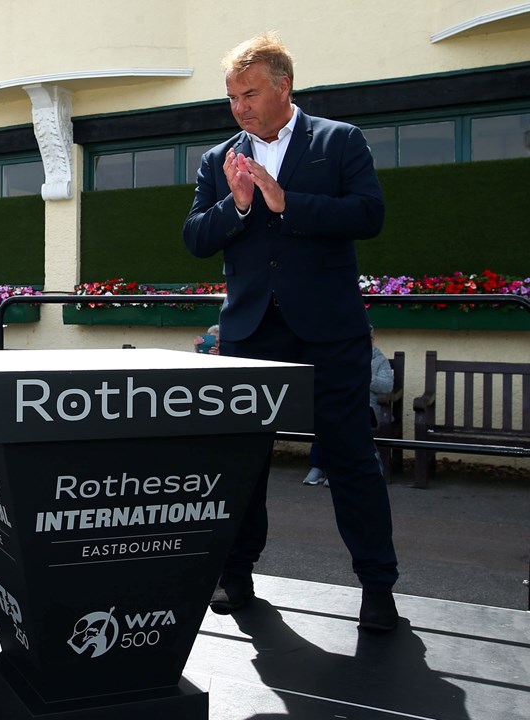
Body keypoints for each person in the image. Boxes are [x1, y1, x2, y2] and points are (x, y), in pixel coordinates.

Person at [182, 33, 399, 631]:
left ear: (284, 86)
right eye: (231, 97)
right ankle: (236, 573)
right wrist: (242, 204)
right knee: (243, 458)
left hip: (329, 330)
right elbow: (197, 238)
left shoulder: (338, 141)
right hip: (251, 330)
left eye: (249, 94)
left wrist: (286, 202)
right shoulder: (217, 159)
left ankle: (378, 587)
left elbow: (369, 215)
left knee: (351, 457)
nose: (240, 107)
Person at [303, 326, 394, 486]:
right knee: (326, 418)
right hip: (344, 405)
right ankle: (317, 467)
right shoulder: (344, 358)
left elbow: (387, 386)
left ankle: (336, 471)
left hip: (369, 409)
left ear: (371, 341)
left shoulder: (380, 360)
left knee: (344, 422)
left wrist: (363, 376)